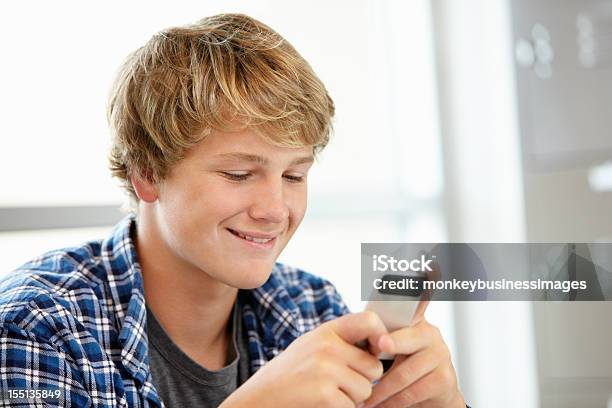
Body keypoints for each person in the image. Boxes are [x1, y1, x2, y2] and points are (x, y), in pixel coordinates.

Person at [0, 13, 467, 408]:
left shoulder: (308, 308)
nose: (275, 210)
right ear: (146, 174)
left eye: (294, 176)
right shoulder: (37, 328)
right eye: (240, 175)